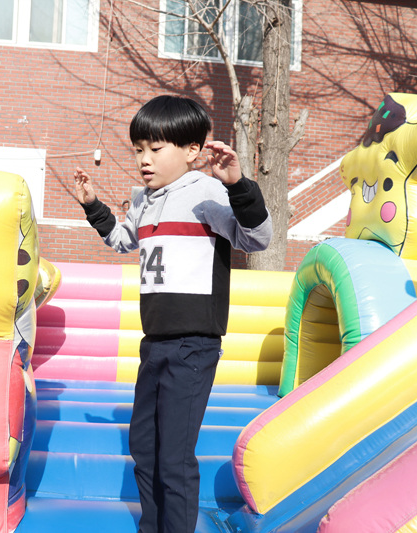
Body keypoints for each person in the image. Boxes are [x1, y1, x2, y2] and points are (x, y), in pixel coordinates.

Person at [73, 95, 272, 533]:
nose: (144, 159)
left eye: (155, 149)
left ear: (191, 151)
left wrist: (238, 184)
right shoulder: (144, 201)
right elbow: (122, 240)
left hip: (193, 344)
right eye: (138, 149)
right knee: (144, 447)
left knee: (174, 457)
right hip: (155, 343)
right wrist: (93, 206)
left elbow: (256, 238)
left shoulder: (207, 192)